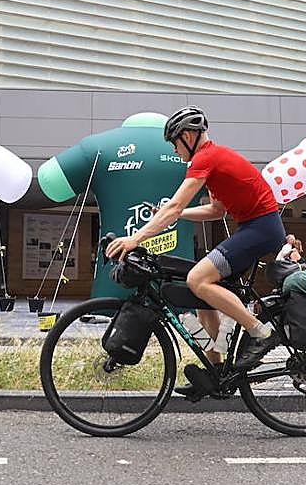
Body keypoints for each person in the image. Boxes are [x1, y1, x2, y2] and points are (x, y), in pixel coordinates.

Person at [106, 106, 284, 400]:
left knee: (197, 279)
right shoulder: (212, 161)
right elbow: (216, 210)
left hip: (261, 228)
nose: (175, 151)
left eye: (174, 144)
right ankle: (216, 372)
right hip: (254, 227)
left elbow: (175, 204)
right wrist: (174, 214)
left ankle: (261, 333)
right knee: (202, 297)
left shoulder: (205, 158)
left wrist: (135, 238)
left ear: (187, 136)